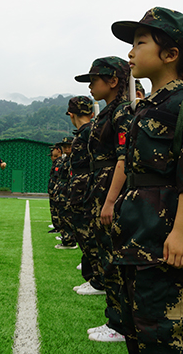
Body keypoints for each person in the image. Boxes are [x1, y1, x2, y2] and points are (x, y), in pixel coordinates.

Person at [110, 7, 183, 354]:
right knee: (137, 320)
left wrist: (179, 232)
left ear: (171, 54)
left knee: (167, 325)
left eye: (140, 43)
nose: (131, 52)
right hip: (136, 229)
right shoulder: (143, 108)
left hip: (163, 234)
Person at [74, 56, 133, 343]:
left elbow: (123, 159)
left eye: (94, 80)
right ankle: (117, 319)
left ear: (113, 81)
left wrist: (110, 202)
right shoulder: (108, 113)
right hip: (101, 187)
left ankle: (120, 324)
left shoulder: (122, 113)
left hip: (111, 190)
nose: (90, 86)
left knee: (114, 257)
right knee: (106, 254)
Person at [65, 96, 105, 295]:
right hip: (83, 189)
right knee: (84, 235)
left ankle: (99, 281)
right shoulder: (86, 131)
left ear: (71, 115)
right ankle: (94, 278)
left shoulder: (89, 132)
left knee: (90, 235)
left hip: (87, 190)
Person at [53, 136, 78, 249]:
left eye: (68, 146)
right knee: (62, 216)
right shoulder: (65, 159)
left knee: (67, 216)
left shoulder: (74, 160)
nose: (66, 149)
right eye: (64, 147)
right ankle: (66, 237)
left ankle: (69, 240)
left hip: (67, 192)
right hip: (61, 192)